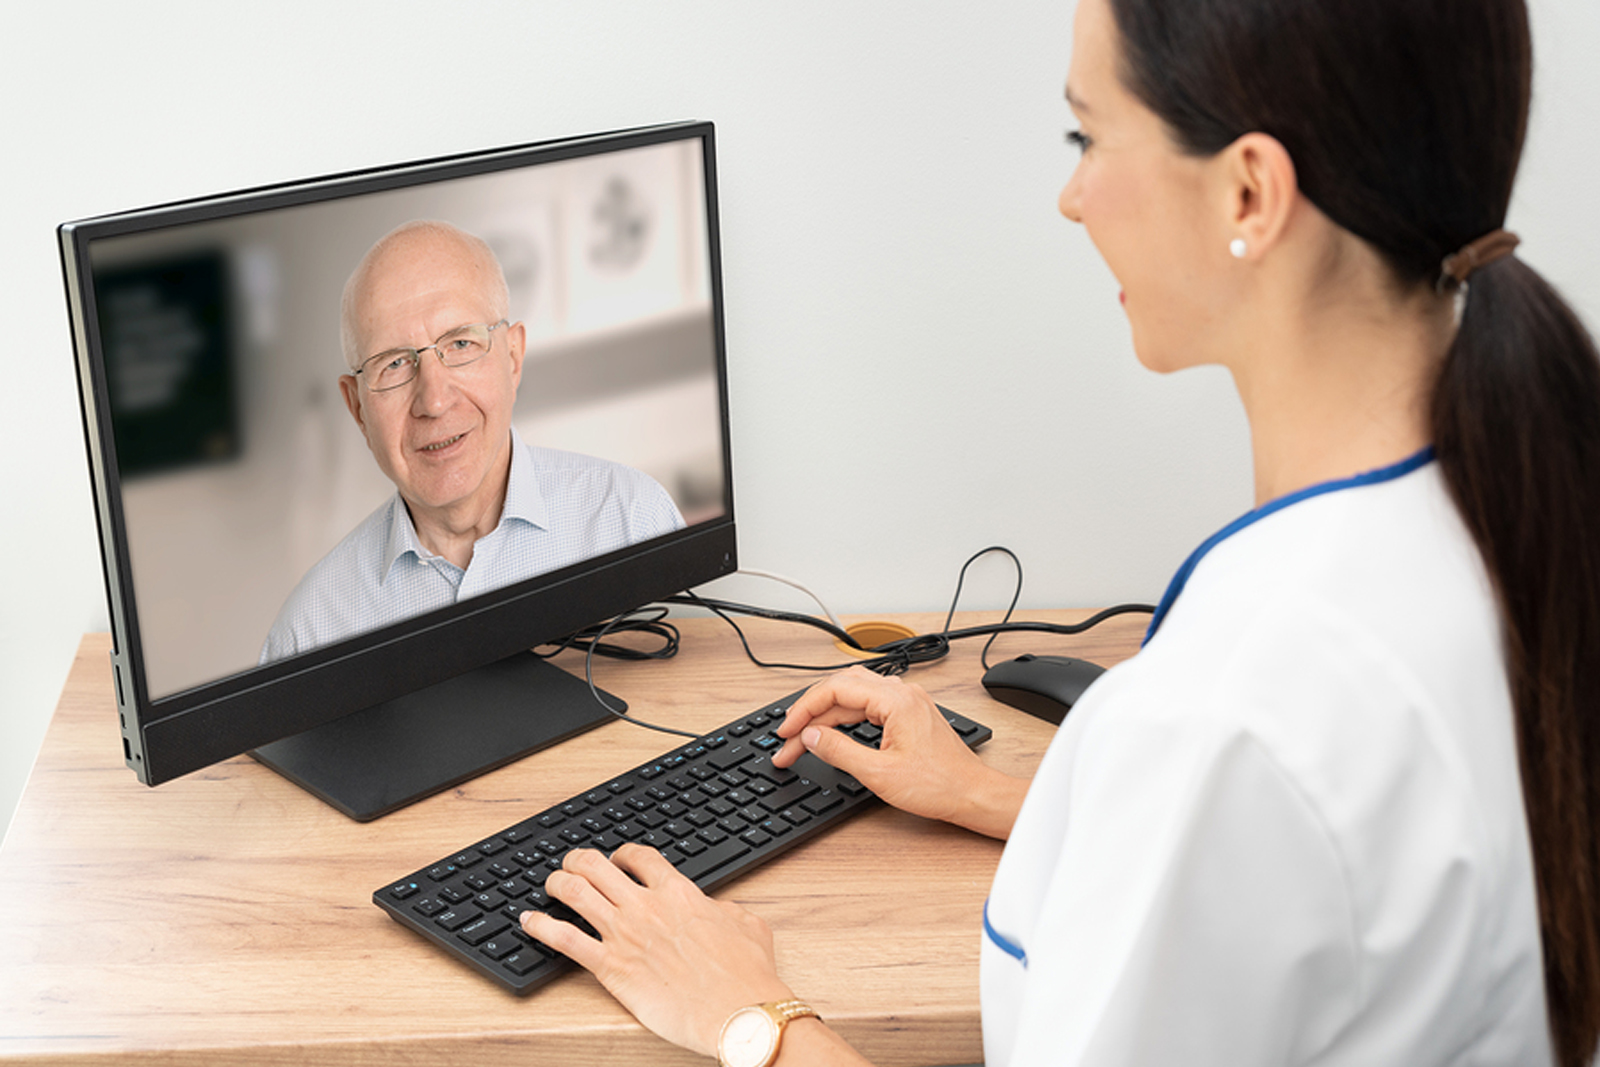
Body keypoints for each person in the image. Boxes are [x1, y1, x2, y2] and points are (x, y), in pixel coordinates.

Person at [516, 0, 1600, 1063]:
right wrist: (1002, 795)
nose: (1071, 197)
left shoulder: (1223, 715)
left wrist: (751, 1014)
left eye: (1089, 134)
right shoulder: (1507, 516)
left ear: (1250, 191)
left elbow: (1255, 792)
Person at [261, 221, 685, 662]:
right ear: (357, 410)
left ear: (514, 358)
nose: (435, 400)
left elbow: (707, 708)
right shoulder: (308, 634)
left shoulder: (632, 522)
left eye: (461, 343)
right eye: (393, 364)